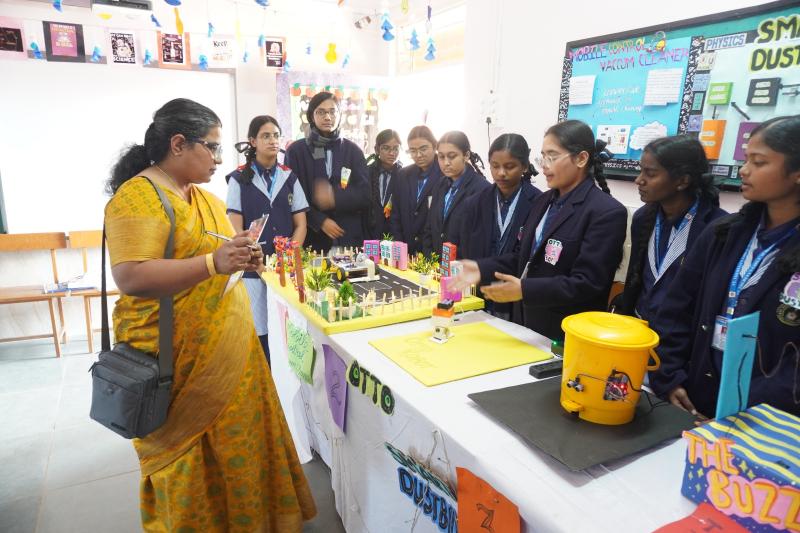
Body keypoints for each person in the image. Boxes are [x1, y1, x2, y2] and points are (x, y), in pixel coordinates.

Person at [104, 98, 316, 531]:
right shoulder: (137, 197)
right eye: (213, 147)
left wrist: (244, 256)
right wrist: (212, 263)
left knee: (242, 441)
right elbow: (131, 276)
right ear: (178, 144)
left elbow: (220, 254)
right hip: (178, 360)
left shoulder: (203, 198)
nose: (220, 158)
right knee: (189, 452)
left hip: (228, 349)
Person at [650, 115, 800, 419]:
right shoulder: (724, 233)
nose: (744, 170)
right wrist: (670, 376)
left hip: (766, 419)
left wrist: (740, 411)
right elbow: (676, 308)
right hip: (695, 399)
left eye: (759, 162)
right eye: (746, 159)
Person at [450, 120, 628, 341]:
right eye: (543, 157)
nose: (544, 165)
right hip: (527, 324)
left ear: (581, 159)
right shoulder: (544, 201)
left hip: (566, 333)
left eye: (552, 157)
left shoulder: (605, 212)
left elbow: (587, 283)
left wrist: (525, 289)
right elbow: (522, 257)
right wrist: (481, 268)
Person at [616, 135, 726, 324]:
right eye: (640, 171)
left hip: (680, 334)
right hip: (638, 327)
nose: (639, 180)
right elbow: (636, 277)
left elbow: (709, 299)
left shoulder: (716, 228)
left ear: (682, 181)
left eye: (650, 174)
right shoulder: (643, 217)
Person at [226, 115, 308, 365]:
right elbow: (234, 224)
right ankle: (264, 382)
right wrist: (251, 254)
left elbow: (301, 224)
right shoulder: (238, 178)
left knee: (288, 328)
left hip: (285, 267)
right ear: (253, 141)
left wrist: (289, 255)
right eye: (265, 136)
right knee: (259, 330)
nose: (272, 141)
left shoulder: (289, 176)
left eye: (275, 135)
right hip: (252, 268)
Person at [459, 133, 542, 319]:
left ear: (524, 166)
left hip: (516, 298)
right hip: (480, 291)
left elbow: (529, 256)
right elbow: (466, 247)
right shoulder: (475, 202)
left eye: (509, 166)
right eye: (495, 166)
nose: (501, 173)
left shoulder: (539, 202)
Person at [284, 91, 369, 252]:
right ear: (311, 116)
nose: (328, 117)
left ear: (340, 115)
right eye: (321, 112)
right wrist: (320, 221)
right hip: (312, 237)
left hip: (347, 237)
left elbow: (365, 195)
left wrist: (335, 197)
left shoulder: (353, 151)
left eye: (332, 112)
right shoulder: (296, 151)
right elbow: (292, 196)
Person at [424, 131, 491, 256]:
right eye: (441, 157)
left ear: (466, 155)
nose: (446, 162)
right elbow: (430, 227)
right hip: (436, 264)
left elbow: (479, 241)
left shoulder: (482, 190)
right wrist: (429, 260)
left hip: (462, 264)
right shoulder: (439, 185)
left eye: (452, 156)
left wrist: (458, 266)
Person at [389, 125, 443, 254]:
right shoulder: (403, 175)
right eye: (413, 151)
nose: (418, 155)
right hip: (406, 251)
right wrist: (400, 247)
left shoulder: (445, 175)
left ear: (435, 146)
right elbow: (395, 215)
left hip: (433, 253)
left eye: (423, 149)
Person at [364, 129, 402, 239]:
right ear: (377, 149)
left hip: (394, 235)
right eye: (386, 148)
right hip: (368, 233)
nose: (392, 153)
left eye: (396, 148)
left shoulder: (403, 175)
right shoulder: (366, 173)